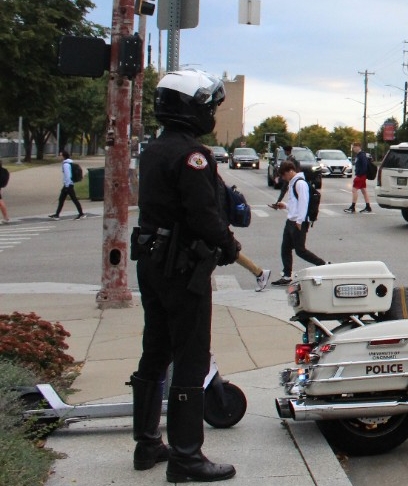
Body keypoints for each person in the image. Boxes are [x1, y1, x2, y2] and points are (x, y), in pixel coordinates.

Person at [131, 69, 236, 482]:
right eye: (208, 105)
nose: (211, 112)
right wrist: (228, 244)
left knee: (154, 351)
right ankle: (186, 457)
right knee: (190, 359)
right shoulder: (194, 156)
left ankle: (146, 444)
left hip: (152, 263)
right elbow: (203, 215)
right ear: (189, 107)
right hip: (182, 268)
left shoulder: (154, 149)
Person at [269, 160, 327, 286]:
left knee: (300, 250)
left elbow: (303, 203)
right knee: (285, 248)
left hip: (298, 222)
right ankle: (286, 275)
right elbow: (295, 204)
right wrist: (285, 206)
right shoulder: (293, 182)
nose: (284, 178)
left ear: (290, 171)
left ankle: (322, 265)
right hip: (291, 220)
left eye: (284, 175)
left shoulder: (300, 183)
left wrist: (300, 220)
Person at [50, 150, 85, 220]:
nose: (59, 156)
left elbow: (68, 175)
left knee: (74, 199)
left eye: (60, 155)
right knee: (61, 199)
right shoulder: (68, 163)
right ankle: (57, 214)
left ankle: (81, 214)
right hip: (68, 185)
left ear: (63, 156)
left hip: (68, 185)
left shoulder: (66, 164)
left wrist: (67, 186)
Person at [344, 142, 373, 213]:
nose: (353, 149)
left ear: (358, 147)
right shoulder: (359, 155)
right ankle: (368, 206)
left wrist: (360, 174)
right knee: (364, 191)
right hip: (361, 175)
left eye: (354, 147)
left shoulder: (361, 155)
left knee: (354, 190)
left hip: (361, 175)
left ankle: (353, 207)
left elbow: (364, 166)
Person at [0, 159, 10, 224]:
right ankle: (6, 217)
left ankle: (6, 217)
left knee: (0, 201)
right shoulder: (4, 170)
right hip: (1, 185)